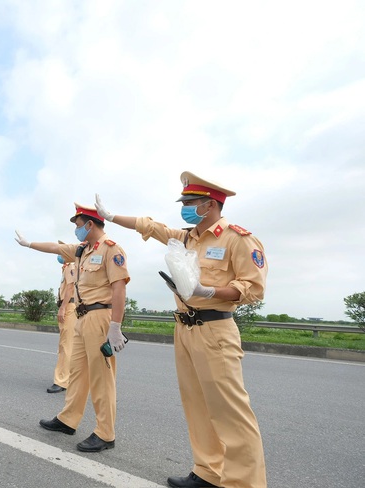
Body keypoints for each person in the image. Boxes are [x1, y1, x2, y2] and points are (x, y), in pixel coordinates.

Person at [94, 171, 267, 488]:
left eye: (191, 202)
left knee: (229, 411)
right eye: (184, 201)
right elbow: (151, 226)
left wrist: (208, 291)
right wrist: (112, 216)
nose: (185, 207)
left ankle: (243, 483)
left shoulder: (237, 239)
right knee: (197, 404)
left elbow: (253, 289)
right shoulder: (187, 237)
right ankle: (208, 471)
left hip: (215, 328)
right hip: (184, 329)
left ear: (211, 204)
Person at [15, 203, 130, 452]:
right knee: (77, 373)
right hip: (80, 317)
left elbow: (119, 288)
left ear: (90, 224)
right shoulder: (82, 250)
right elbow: (56, 248)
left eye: (78, 226)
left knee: (102, 378)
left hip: (100, 317)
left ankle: (105, 433)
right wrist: (29, 244)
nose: (76, 231)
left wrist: (115, 326)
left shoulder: (111, 250)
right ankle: (68, 419)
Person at [47, 251, 76, 394]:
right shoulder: (67, 267)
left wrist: (63, 308)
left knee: (66, 345)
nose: (59, 255)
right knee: (69, 344)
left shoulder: (71, 266)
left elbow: (70, 288)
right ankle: (70, 378)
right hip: (69, 307)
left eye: (61, 252)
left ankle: (62, 381)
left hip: (69, 307)